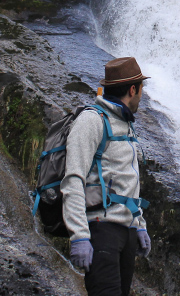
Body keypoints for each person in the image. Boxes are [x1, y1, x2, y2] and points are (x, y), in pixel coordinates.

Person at [61, 57, 152, 296]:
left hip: (127, 233)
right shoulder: (92, 121)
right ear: (133, 90)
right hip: (102, 232)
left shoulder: (126, 125)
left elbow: (128, 181)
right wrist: (79, 236)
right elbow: (73, 179)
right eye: (142, 89)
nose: (142, 96)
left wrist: (139, 224)